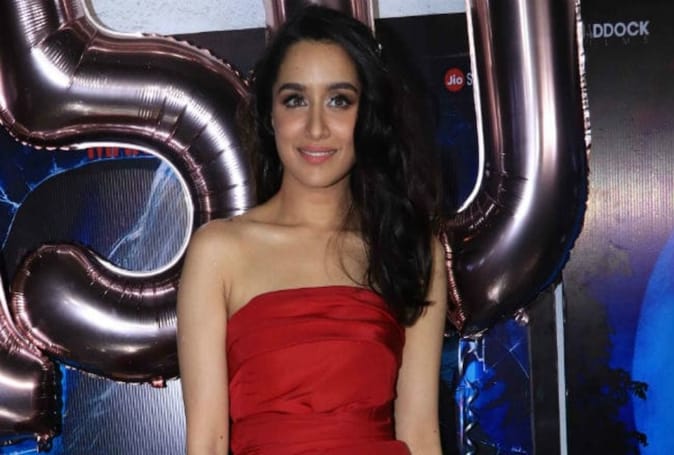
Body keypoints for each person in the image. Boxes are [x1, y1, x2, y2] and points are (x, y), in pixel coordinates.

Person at [177, 6, 447, 454]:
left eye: (339, 100)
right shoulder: (219, 252)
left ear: (367, 115)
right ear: (270, 115)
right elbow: (206, 442)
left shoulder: (409, 247)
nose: (317, 128)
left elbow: (419, 433)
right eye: (295, 100)